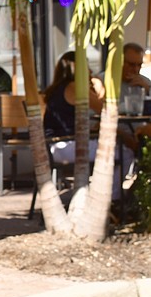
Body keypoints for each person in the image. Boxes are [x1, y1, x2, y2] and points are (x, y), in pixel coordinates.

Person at [44, 50, 131, 199]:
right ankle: (112, 198)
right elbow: (105, 108)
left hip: (56, 145)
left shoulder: (59, 87)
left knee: (119, 144)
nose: (90, 70)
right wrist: (99, 87)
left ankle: (107, 194)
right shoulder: (74, 87)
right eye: (86, 66)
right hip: (66, 146)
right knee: (126, 152)